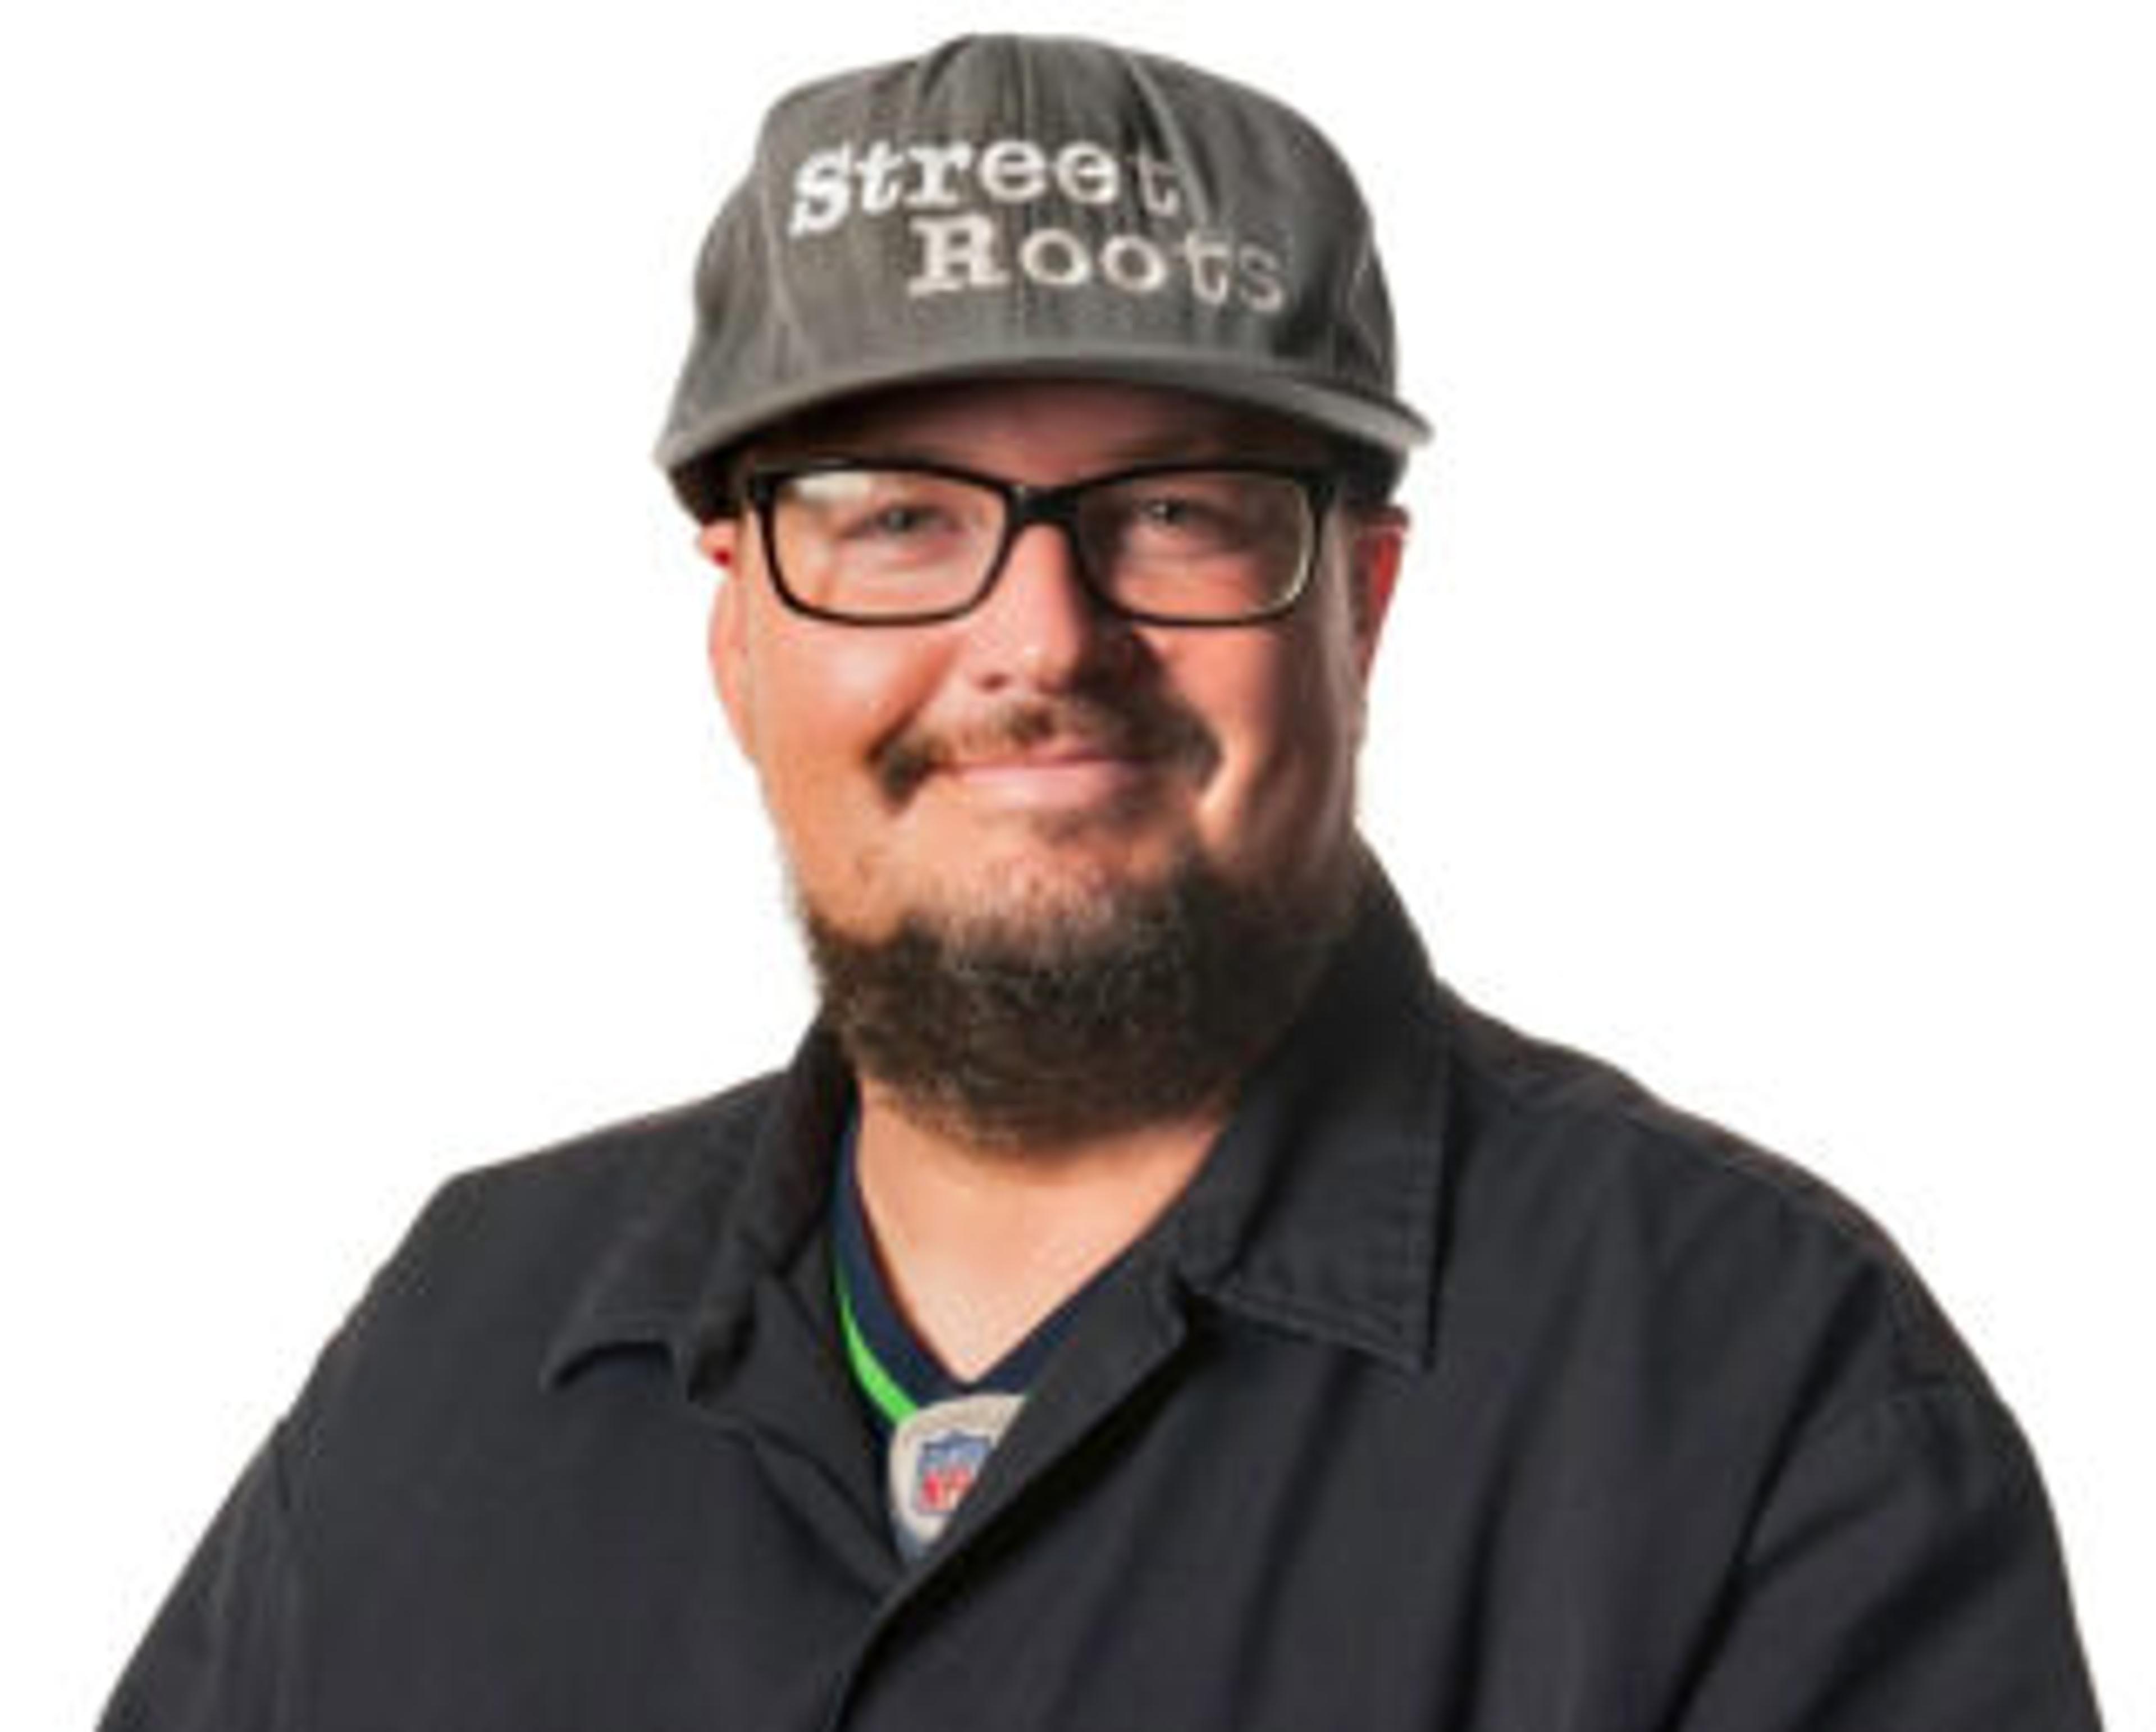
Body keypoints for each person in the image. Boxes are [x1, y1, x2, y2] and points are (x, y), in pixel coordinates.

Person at [101, 33, 2103, 1731]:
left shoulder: (1756, 1392)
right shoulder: (463, 1341)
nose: (1041, 640)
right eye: (896, 518)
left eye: (1171, 513)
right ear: (738, 634)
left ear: (1363, 604)